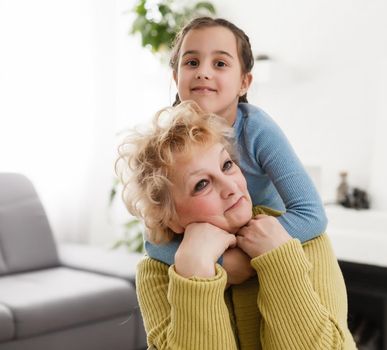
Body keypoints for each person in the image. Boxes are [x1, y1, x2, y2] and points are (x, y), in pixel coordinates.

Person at [116, 101, 356, 349]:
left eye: (227, 165)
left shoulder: (303, 240)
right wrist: (195, 270)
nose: (231, 187)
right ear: (170, 218)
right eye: (202, 184)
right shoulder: (157, 271)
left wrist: (279, 260)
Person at [145, 17, 327, 287]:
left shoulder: (257, 129)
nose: (203, 72)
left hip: (268, 253)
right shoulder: (167, 141)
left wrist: (246, 255)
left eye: (220, 63)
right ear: (176, 77)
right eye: (191, 62)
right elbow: (154, 242)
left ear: (244, 82)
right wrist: (221, 263)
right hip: (210, 255)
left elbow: (311, 215)